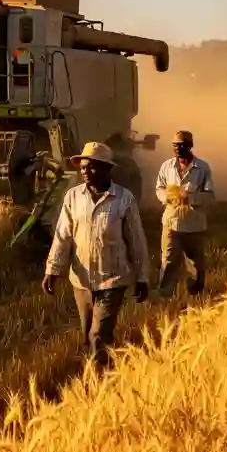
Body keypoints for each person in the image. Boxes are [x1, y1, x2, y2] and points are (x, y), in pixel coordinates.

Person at [42, 141, 150, 365]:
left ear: (107, 169)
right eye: (82, 168)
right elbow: (63, 235)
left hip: (113, 279)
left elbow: (136, 240)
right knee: (87, 337)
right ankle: (103, 374)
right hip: (81, 281)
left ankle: (100, 383)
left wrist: (142, 277)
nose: (85, 172)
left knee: (97, 336)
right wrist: (52, 270)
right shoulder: (73, 197)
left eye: (91, 167)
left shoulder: (124, 198)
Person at [153, 130, 216, 297]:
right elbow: (159, 188)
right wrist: (167, 197)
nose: (178, 148)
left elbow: (210, 195)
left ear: (190, 145)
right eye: (175, 145)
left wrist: (189, 198)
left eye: (182, 145)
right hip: (171, 222)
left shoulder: (202, 168)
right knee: (168, 260)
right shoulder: (167, 166)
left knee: (195, 263)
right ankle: (164, 295)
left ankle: (195, 294)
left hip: (193, 224)